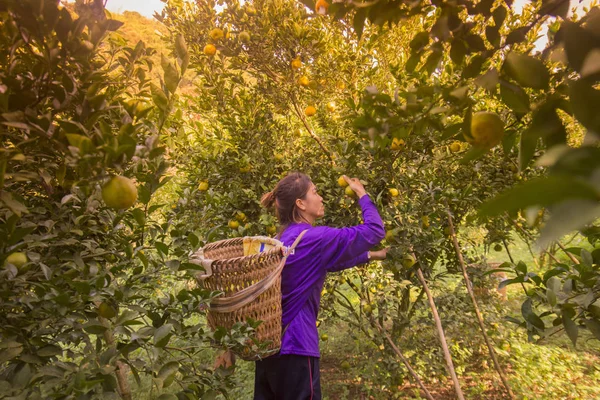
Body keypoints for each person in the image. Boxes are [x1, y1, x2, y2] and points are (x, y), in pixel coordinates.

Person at [255, 172, 388, 400]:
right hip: (296, 345)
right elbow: (375, 230)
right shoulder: (315, 238)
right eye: (315, 192)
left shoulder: (279, 241)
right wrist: (361, 194)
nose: (321, 197)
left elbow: (325, 263)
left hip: (267, 348)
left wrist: (371, 255)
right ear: (301, 203)